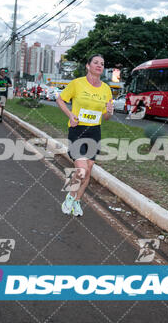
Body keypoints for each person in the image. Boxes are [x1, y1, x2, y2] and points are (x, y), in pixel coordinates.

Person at [56, 54, 114, 217]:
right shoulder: (77, 83)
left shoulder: (106, 89)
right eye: (95, 62)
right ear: (88, 66)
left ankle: (77, 201)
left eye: (102, 64)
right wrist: (70, 115)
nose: (99, 65)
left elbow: (105, 117)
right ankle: (70, 196)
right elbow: (60, 100)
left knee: (88, 171)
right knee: (81, 170)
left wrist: (109, 112)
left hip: (94, 132)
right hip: (77, 130)